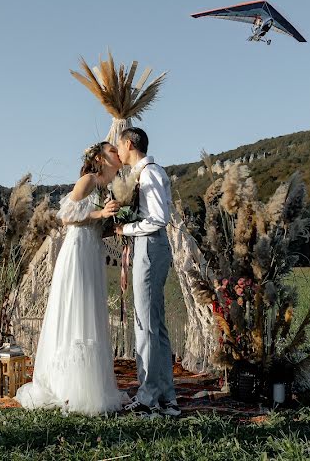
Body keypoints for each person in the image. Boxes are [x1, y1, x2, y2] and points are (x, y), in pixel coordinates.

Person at [15, 142, 129, 415]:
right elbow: (65, 215)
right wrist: (100, 213)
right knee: (77, 307)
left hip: (90, 250)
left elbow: (90, 222)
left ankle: (91, 384)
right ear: (101, 158)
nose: (118, 154)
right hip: (77, 251)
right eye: (113, 150)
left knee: (89, 309)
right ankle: (69, 386)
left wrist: (115, 226)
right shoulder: (88, 180)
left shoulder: (105, 186)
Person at [114, 127, 180, 418]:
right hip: (148, 246)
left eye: (119, 146)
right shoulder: (145, 173)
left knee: (146, 323)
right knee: (154, 323)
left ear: (129, 144)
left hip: (150, 247)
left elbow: (157, 218)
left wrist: (125, 228)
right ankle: (166, 397)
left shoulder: (149, 173)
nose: (117, 151)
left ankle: (148, 398)